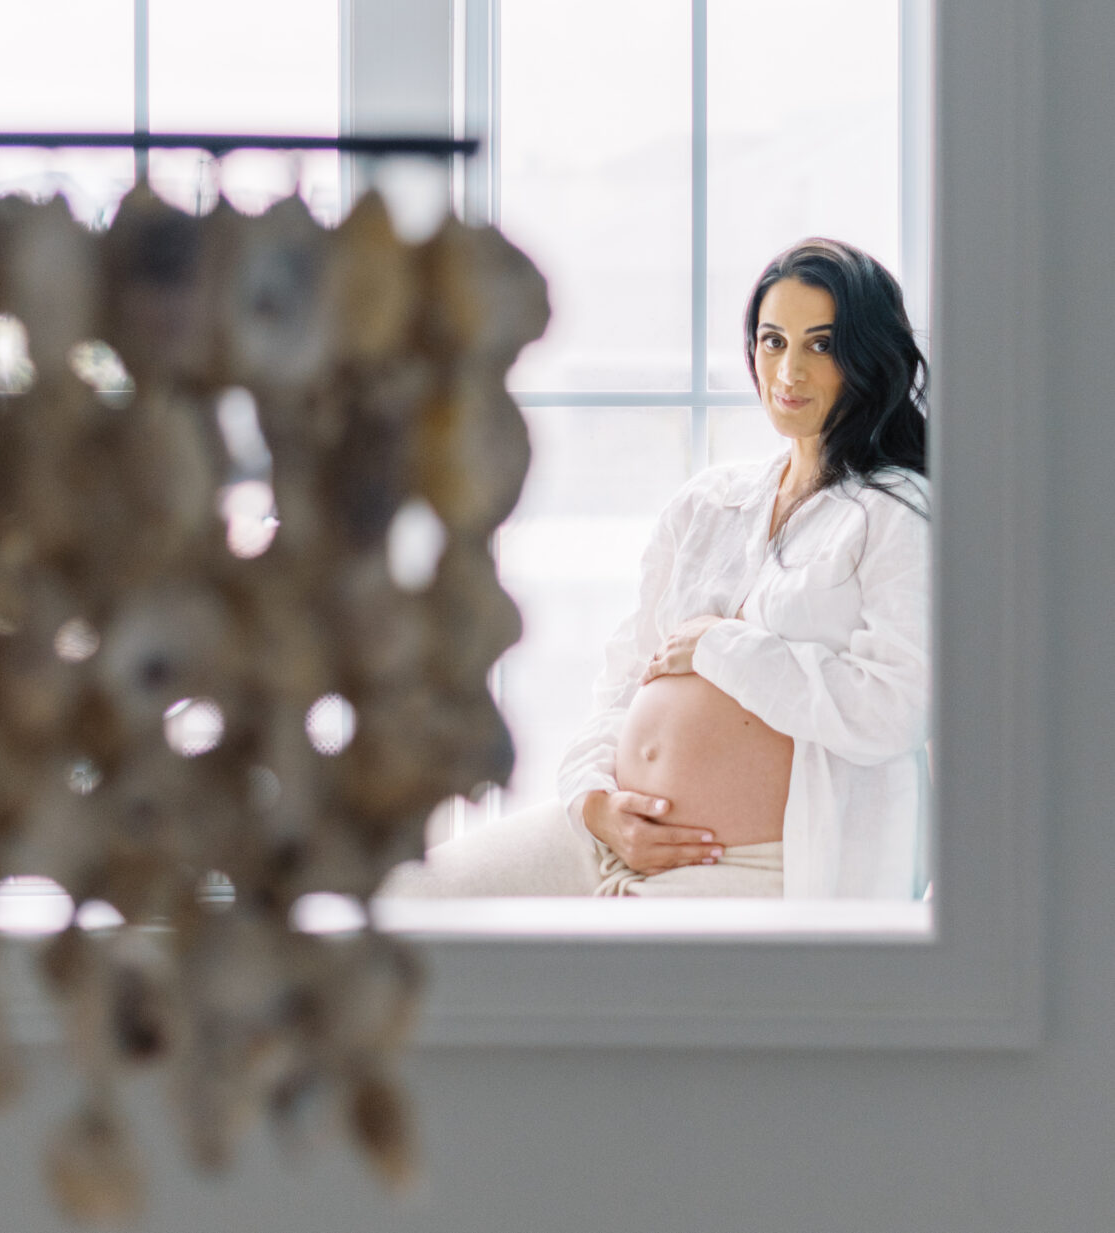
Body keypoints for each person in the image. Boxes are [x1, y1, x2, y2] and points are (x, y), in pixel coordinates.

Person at [383, 237, 930, 901]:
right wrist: (593, 801)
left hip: (755, 862)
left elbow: (893, 708)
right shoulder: (708, 504)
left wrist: (717, 646)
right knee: (408, 897)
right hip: (612, 835)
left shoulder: (895, 513)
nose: (786, 371)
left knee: (562, 981)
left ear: (868, 356)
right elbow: (622, 679)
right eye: (771, 340)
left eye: (820, 343)